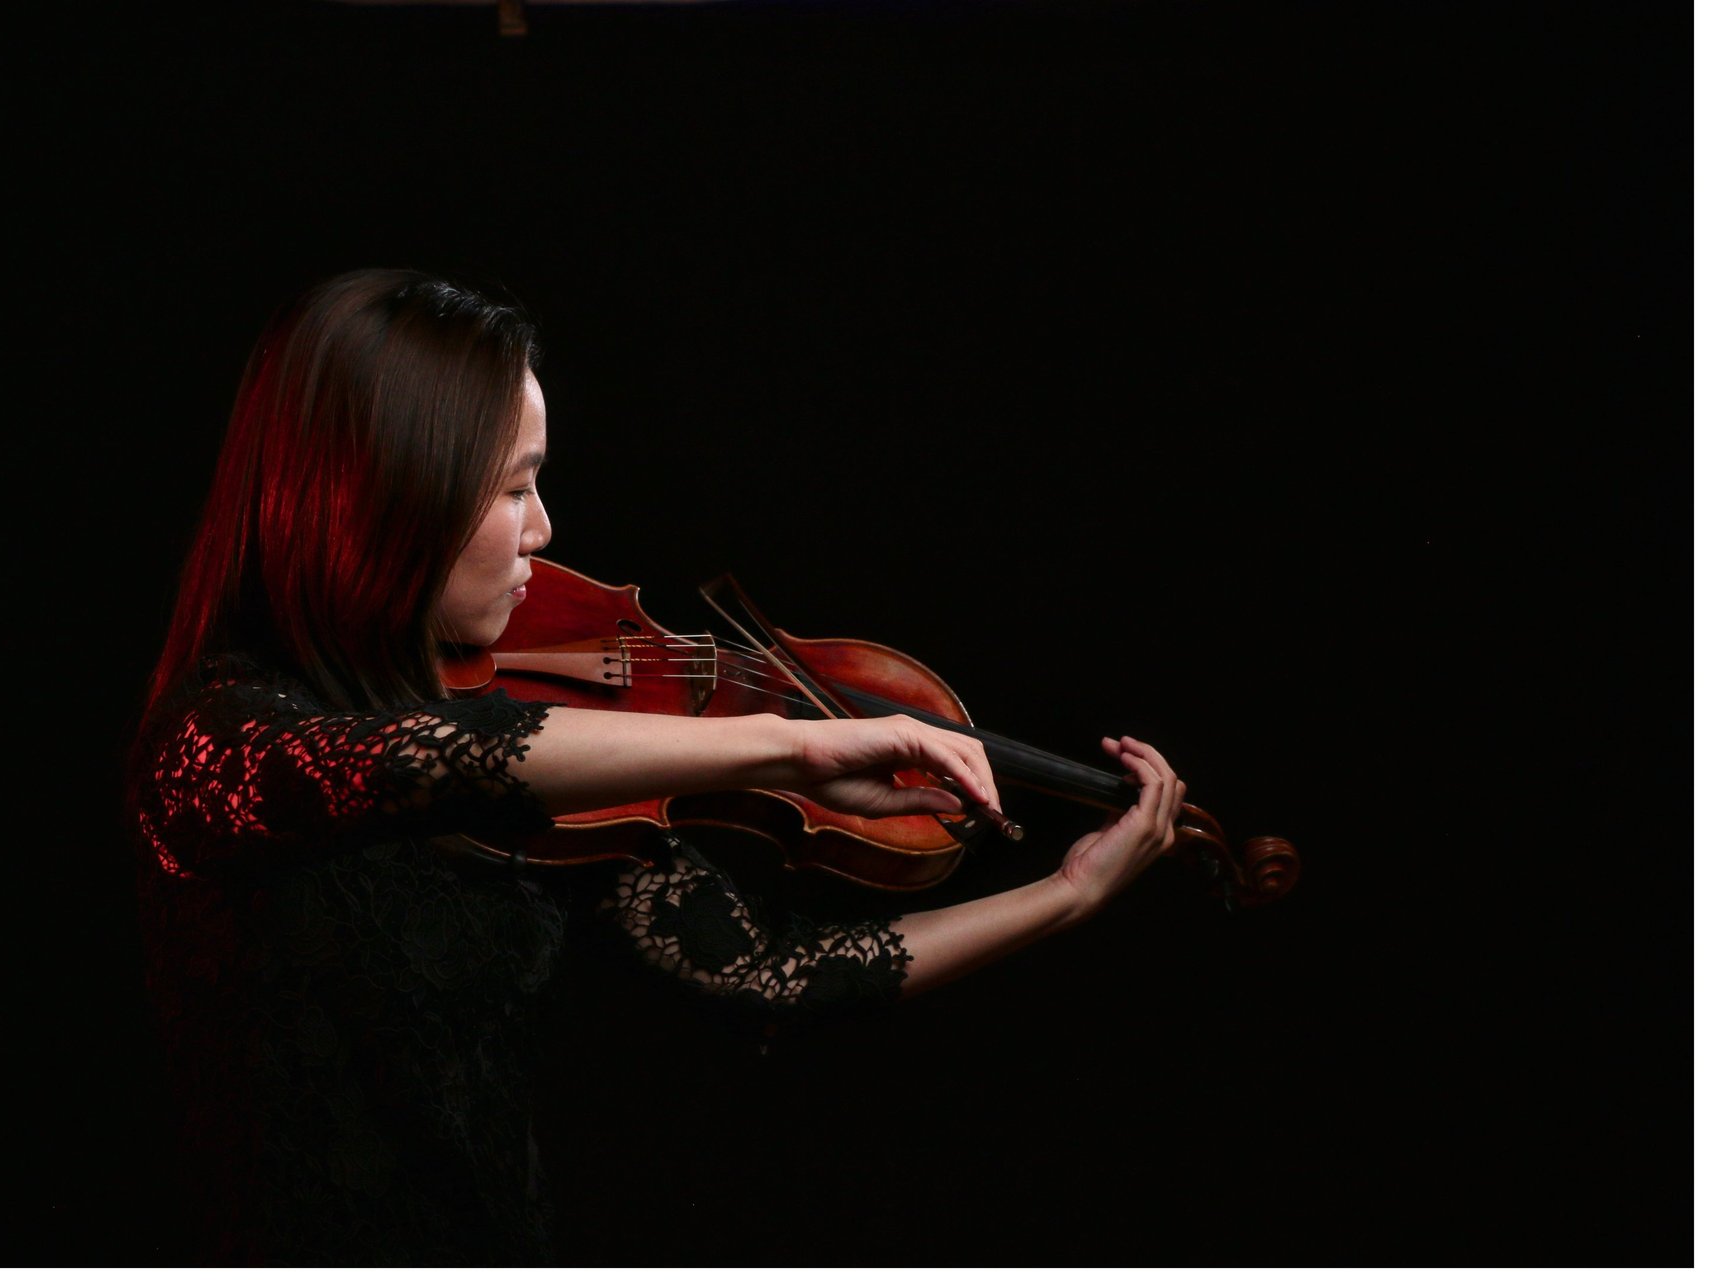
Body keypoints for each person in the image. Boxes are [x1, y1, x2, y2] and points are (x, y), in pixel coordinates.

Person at [125, 267, 1186, 1265]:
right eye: (512, 489)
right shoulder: (216, 743)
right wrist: (796, 742)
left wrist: (1066, 895)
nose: (546, 527)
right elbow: (424, 763)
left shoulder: (545, 758)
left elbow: (766, 970)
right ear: (384, 498)